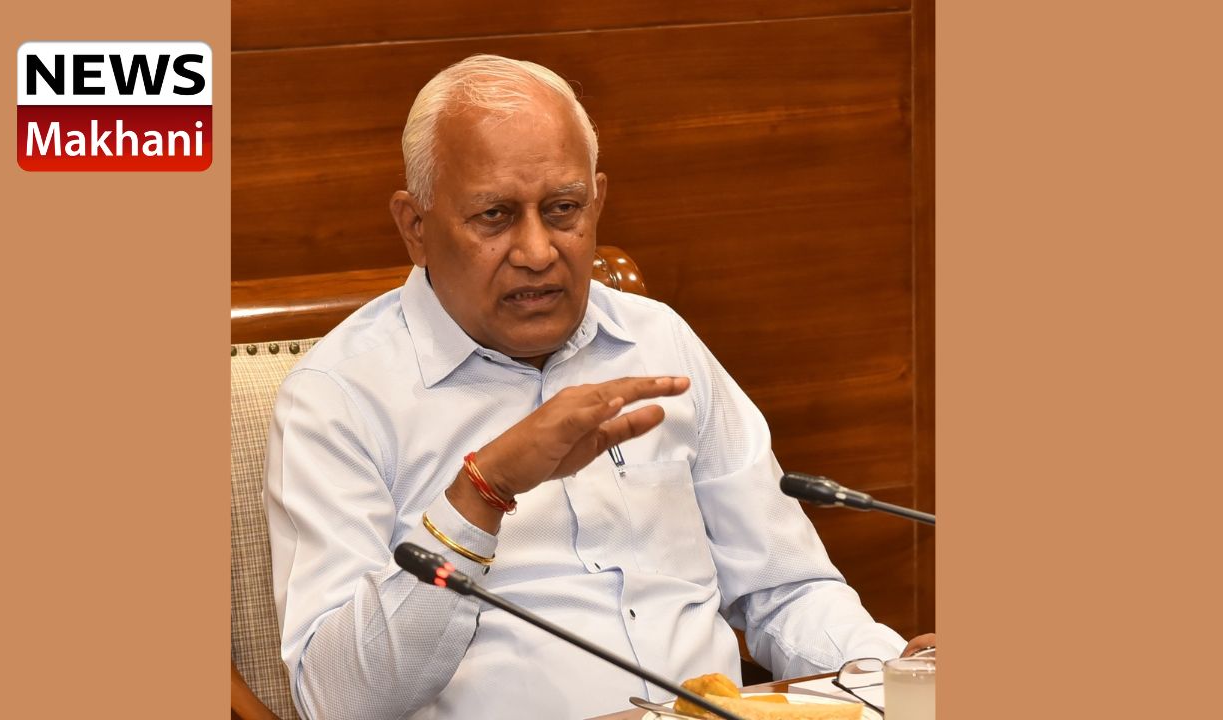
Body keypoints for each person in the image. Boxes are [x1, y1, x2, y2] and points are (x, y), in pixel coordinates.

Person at [265, 54, 933, 720]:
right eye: (494, 215)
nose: (537, 252)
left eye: (563, 209)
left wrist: (894, 677)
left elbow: (783, 591)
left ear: (598, 202)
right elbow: (335, 702)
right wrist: (480, 494)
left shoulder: (658, 341)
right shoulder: (339, 398)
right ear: (415, 227)